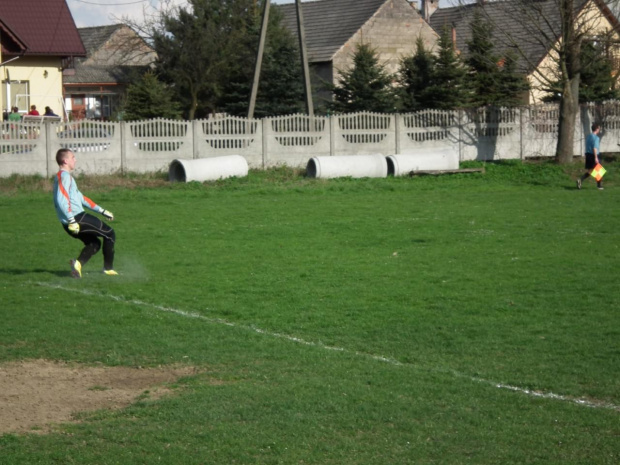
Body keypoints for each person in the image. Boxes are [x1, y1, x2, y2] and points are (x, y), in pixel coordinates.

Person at [53, 148, 118, 278]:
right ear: (65, 161)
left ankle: (78, 264)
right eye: (72, 157)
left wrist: (102, 211)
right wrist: (72, 220)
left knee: (95, 243)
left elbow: (82, 199)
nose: (75, 159)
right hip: (76, 219)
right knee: (110, 234)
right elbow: (61, 200)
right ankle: (108, 268)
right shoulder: (63, 177)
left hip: (71, 222)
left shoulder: (67, 177)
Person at [577, 123, 603, 190]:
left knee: (591, 170)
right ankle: (599, 186)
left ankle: (581, 179)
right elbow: (594, 148)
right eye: (599, 128)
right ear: (597, 129)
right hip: (593, 155)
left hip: (588, 154)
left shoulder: (589, 137)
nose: (599, 130)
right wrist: (596, 157)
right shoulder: (596, 138)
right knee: (599, 170)